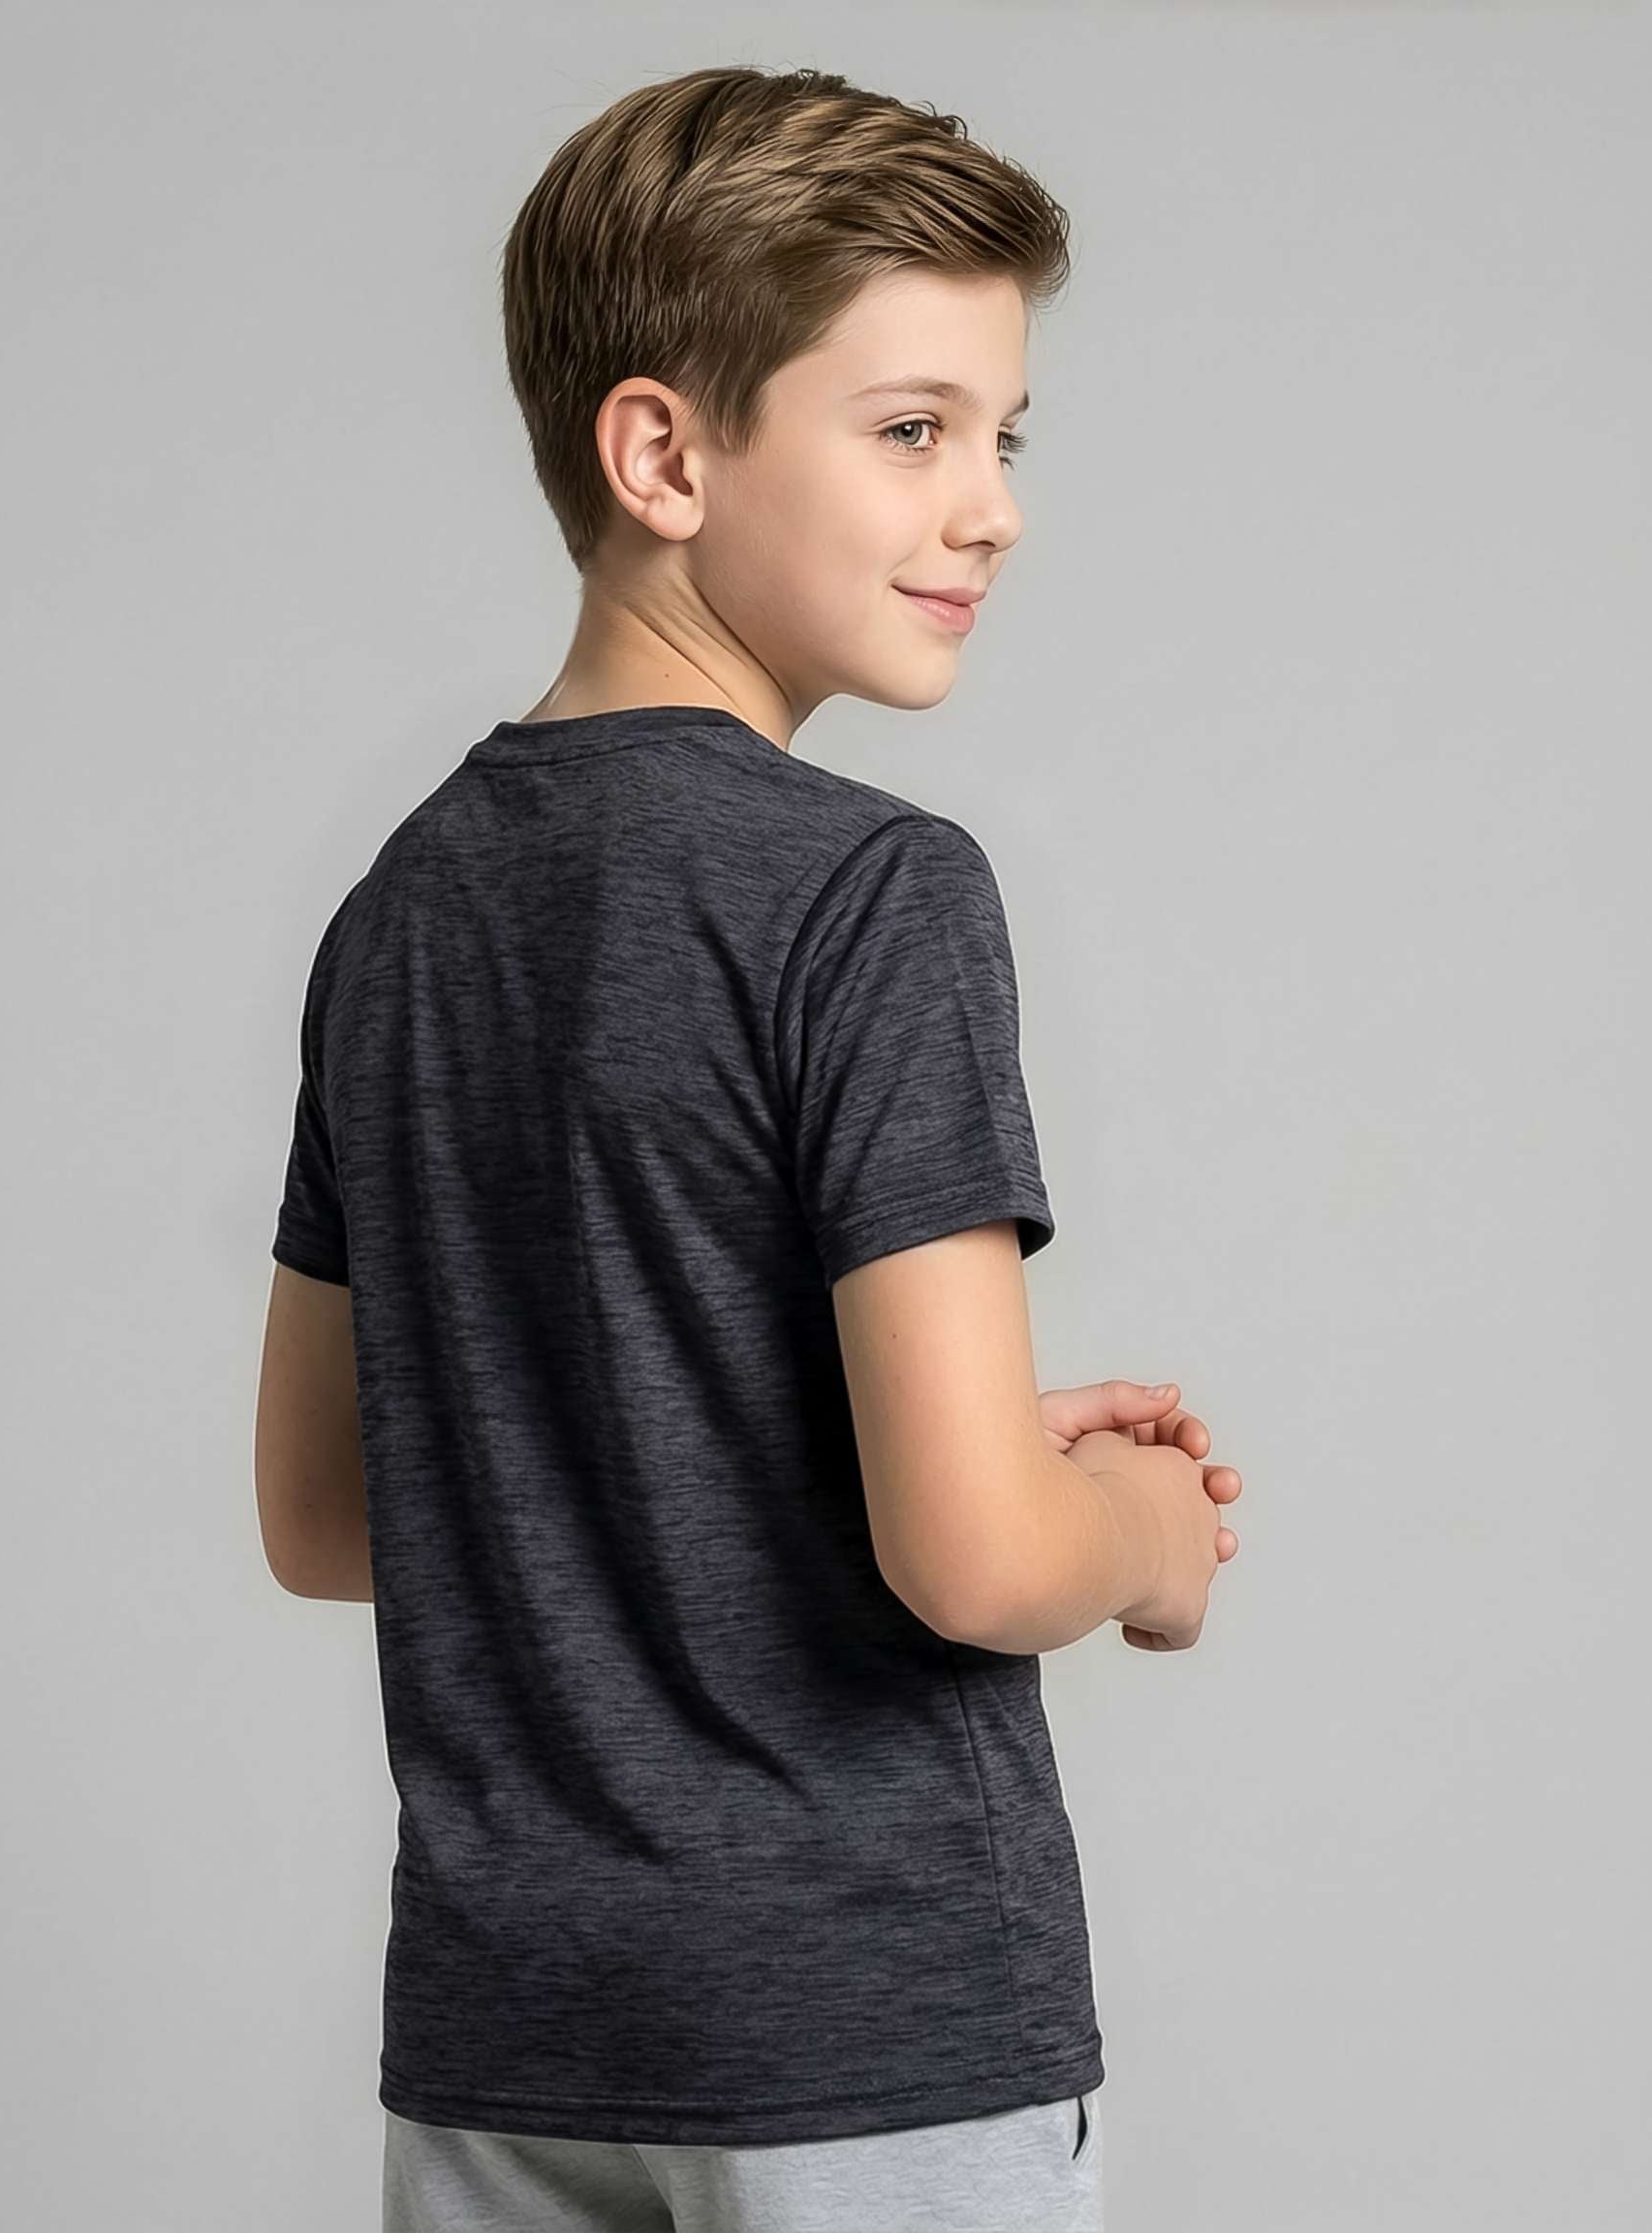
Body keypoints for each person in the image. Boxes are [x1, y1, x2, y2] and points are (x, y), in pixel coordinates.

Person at [255, 60, 1242, 2233]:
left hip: (511, 2039)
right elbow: (978, 1563)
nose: (990, 509)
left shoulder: (398, 914)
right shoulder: (870, 894)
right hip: (861, 2036)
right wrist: (1139, 1528)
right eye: (911, 430)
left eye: (1002, 438)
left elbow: (333, 1510)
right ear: (662, 455)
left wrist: (794, 1444)